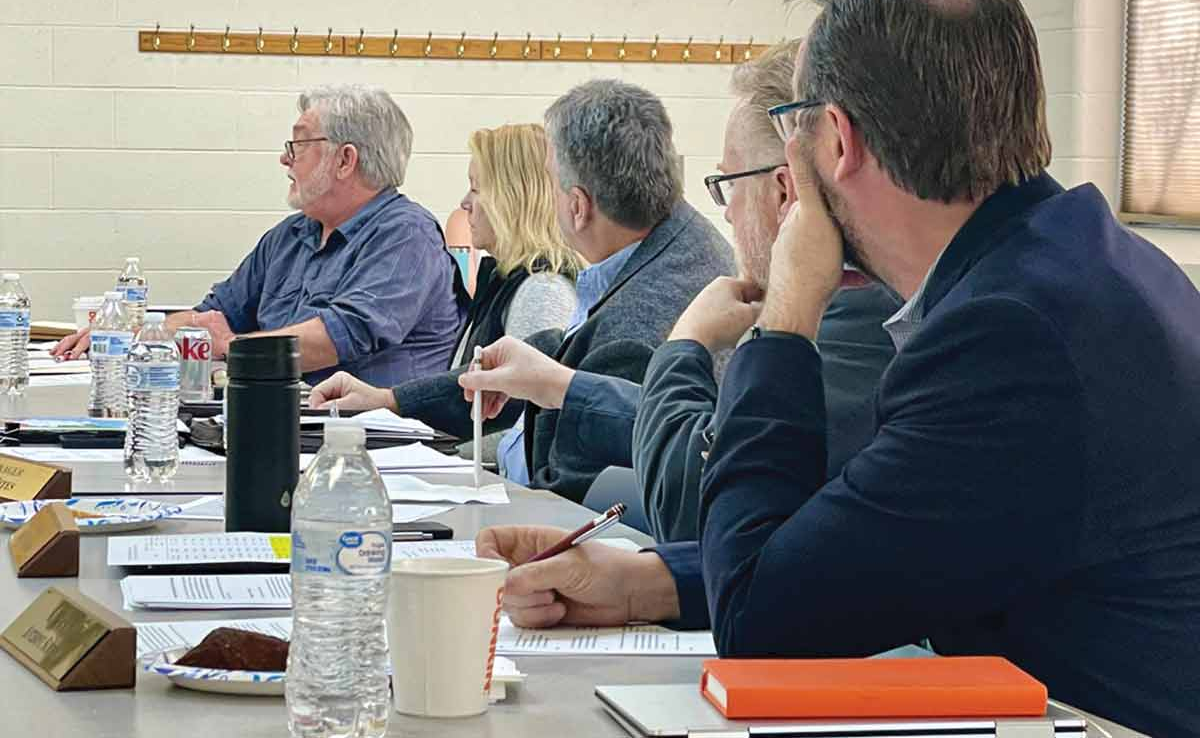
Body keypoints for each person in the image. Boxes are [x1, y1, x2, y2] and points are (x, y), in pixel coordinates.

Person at [473, 0, 1200, 737]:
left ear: (837, 143)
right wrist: (645, 580)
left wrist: (787, 311)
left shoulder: (1011, 333)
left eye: (795, 130)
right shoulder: (1067, 265)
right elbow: (862, 541)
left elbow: (764, 621)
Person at [459, 42, 898, 541]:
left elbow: (701, 499)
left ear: (784, 191)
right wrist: (559, 385)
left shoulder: (850, 322)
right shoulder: (843, 308)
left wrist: (684, 343)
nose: (728, 212)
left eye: (729, 184)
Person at [320, 80, 734, 501]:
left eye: (550, 183)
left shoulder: (639, 317)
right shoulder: (662, 250)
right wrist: (393, 400)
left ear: (577, 206)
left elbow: (569, 492)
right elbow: (553, 355)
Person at [53, 84, 466, 387]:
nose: (285, 158)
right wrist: (134, 335)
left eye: (299, 144)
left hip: (375, 447)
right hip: (285, 424)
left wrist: (232, 347)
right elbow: (214, 315)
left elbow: (338, 337)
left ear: (345, 160)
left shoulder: (406, 236)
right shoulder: (290, 236)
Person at [310, 123, 582, 433]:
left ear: (513, 197)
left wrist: (389, 404)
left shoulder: (542, 291)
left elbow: (517, 426)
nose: (465, 202)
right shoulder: (504, 284)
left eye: (476, 188)